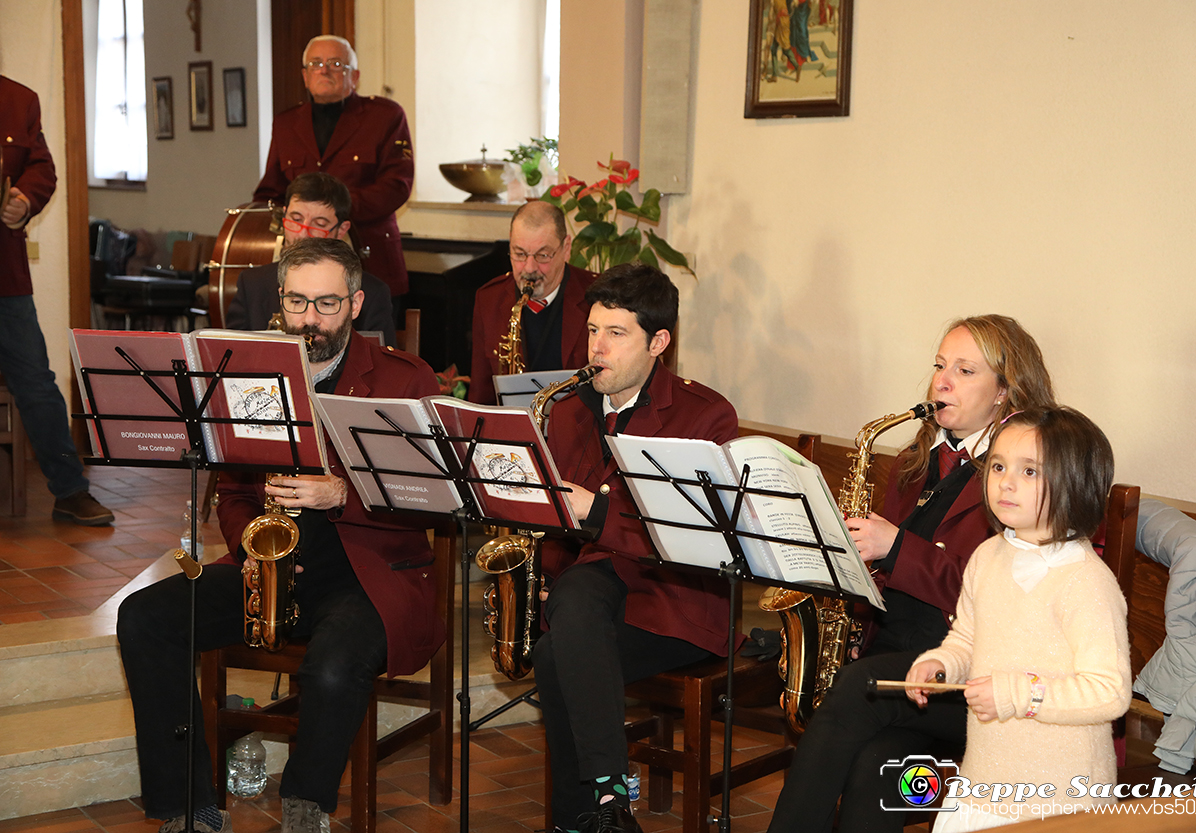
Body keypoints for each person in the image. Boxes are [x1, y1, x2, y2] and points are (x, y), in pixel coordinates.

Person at [116, 238, 441, 833]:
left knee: (335, 666)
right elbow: (235, 493)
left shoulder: (403, 380)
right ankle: (189, 809)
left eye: (326, 304)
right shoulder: (247, 376)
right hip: (271, 568)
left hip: (368, 574)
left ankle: (303, 809)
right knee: (145, 617)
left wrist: (340, 491)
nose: (310, 320)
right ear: (280, 300)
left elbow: (431, 504)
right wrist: (251, 552)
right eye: (297, 302)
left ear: (356, 304)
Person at [766, 314, 1056, 833]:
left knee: (857, 690)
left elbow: (997, 595)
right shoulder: (919, 459)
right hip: (902, 671)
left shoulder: (1025, 473)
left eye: (965, 371)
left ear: (1005, 392)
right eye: (940, 366)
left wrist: (895, 546)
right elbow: (885, 572)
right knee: (877, 767)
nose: (941, 381)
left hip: (976, 676)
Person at [534, 263, 737, 833]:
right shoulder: (569, 408)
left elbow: (692, 535)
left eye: (615, 334)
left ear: (659, 343)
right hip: (590, 606)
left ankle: (594, 810)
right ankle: (603, 813)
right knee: (560, 634)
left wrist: (595, 513)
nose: (596, 348)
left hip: (672, 603)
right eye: (593, 330)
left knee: (566, 623)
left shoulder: (705, 415)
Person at [907, 407, 1129, 829]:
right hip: (984, 781)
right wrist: (940, 664)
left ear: (1075, 485)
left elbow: (1110, 692)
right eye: (997, 466)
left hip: (1060, 799)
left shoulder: (1086, 582)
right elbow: (967, 640)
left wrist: (1017, 693)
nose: (1005, 482)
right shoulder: (988, 556)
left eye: (1029, 472)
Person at [0, 74, 113, 526]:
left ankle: (69, 491)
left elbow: (41, 168)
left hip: (4, 278)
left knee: (38, 384)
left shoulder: (18, 99)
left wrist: (23, 200)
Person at [254, 36, 413, 297]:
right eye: (316, 64)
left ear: (355, 76)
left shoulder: (385, 117)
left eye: (336, 63)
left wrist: (334, 213)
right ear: (305, 76)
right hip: (301, 268)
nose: (324, 70)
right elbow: (270, 191)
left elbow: (397, 185)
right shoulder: (286, 123)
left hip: (369, 261)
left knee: (374, 338)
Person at [228, 172, 395, 346]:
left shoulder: (373, 293)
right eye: (296, 219)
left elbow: (380, 367)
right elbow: (232, 358)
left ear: (342, 230)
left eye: (319, 224)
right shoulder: (252, 284)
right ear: (284, 216)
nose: (303, 234)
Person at [467, 200, 595, 404]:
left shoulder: (596, 297)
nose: (529, 268)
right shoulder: (489, 299)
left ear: (566, 248)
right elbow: (481, 396)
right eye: (519, 254)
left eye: (543, 255)